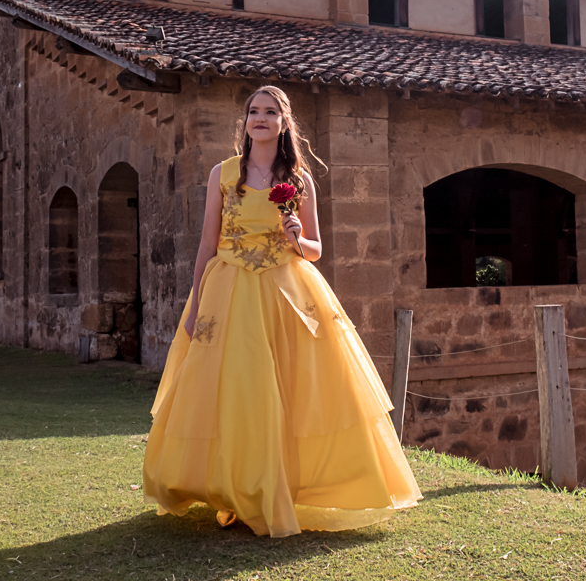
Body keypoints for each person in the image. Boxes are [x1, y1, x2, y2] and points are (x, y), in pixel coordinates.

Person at [142, 85, 422, 537]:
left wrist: (295, 235)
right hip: (229, 291)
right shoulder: (222, 174)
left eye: (270, 111)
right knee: (234, 388)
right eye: (254, 111)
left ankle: (276, 488)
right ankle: (231, 489)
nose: (260, 118)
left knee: (290, 389)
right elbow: (207, 245)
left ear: (284, 121)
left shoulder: (299, 180)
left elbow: (315, 250)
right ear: (246, 120)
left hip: (286, 291)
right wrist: (194, 305)